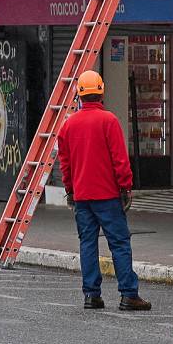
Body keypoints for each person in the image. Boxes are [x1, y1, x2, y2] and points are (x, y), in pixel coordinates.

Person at [56, 69, 147, 311]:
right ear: (101, 92)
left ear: (79, 94)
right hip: (107, 195)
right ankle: (128, 294)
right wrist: (126, 187)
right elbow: (120, 160)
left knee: (87, 243)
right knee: (119, 243)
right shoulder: (109, 121)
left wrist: (70, 189)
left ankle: (91, 295)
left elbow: (65, 164)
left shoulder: (68, 126)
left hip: (82, 196)